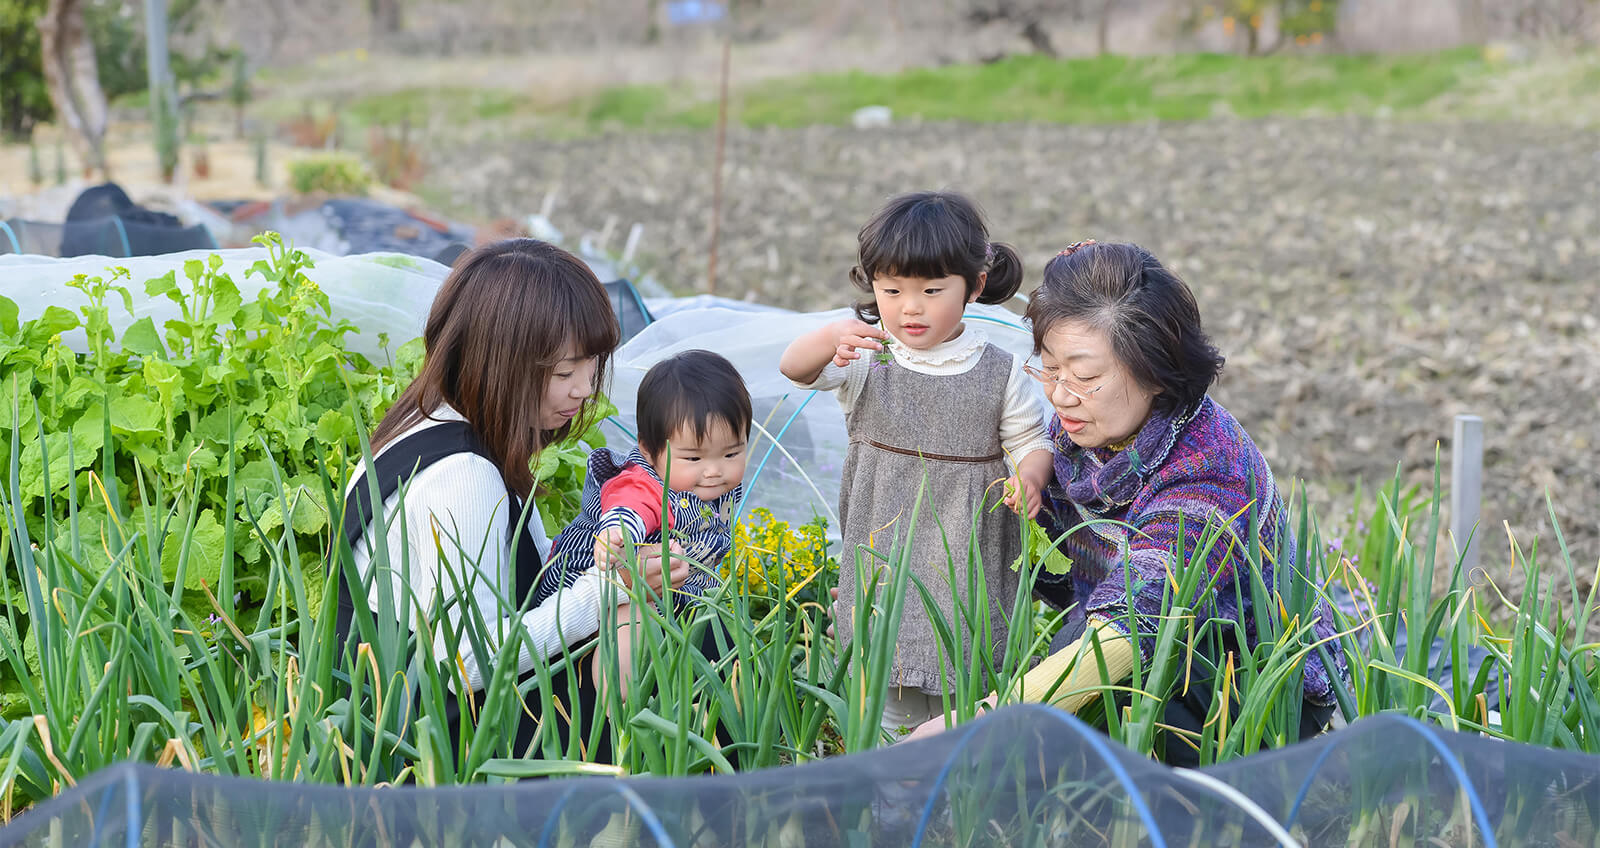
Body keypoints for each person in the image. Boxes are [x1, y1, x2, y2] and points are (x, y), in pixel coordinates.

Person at [905, 241, 1349, 765]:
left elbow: (1137, 619)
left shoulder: (1211, 470)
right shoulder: (1088, 430)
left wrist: (981, 720)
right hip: (1150, 646)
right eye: (1049, 369)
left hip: (1247, 682)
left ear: (1157, 372)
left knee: (1090, 662)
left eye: (1086, 377)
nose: (1060, 395)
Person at [333, 238, 683, 758]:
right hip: (440, 746)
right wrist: (606, 591)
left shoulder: (418, 425)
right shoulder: (465, 477)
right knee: (692, 654)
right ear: (499, 364)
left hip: (395, 716)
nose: (585, 389)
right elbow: (467, 661)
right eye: (565, 373)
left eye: (592, 367)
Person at [778, 190, 1055, 736]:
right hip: (886, 559)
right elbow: (795, 368)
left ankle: (956, 807)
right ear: (871, 286)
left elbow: (1029, 439)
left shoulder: (999, 369)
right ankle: (891, 804)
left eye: (932, 291)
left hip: (967, 556)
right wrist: (832, 336)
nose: (910, 307)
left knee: (966, 698)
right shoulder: (867, 356)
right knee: (888, 695)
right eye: (891, 290)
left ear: (975, 286)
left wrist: (1030, 477)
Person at [536, 349, 751, 690]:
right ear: (650, 452)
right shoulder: (646, 482)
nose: (713, 471)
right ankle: (617, 709)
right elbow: (630, 508)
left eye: (731, 453)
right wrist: (619, 533)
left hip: (669, 587)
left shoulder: (710, 487)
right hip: (601, 581)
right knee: (633, 619)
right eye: (693, 457)